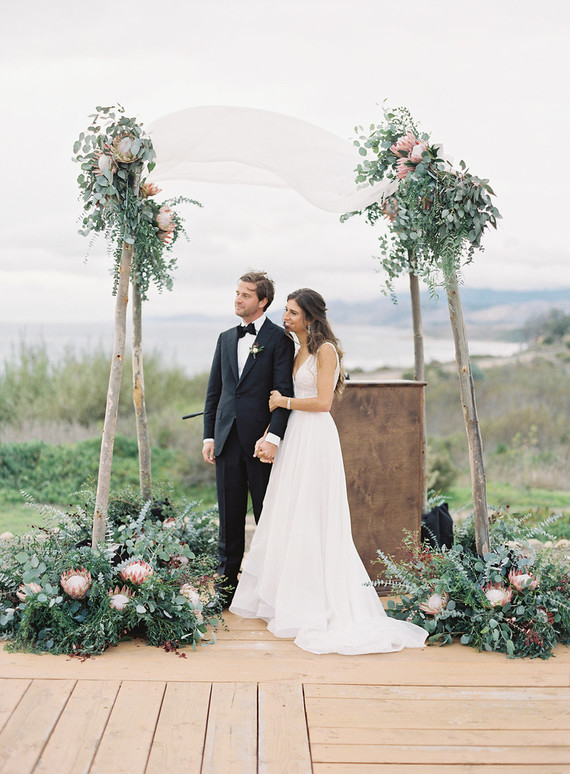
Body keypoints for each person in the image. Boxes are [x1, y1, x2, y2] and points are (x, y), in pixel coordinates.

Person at [230, 288, 428, 654]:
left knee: (313, 515)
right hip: (294, 438)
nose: (285, 317)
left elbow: (323, 403)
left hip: (316, 438)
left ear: (309, 316)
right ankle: (284, 595)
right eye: (285, 311)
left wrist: (283, 401)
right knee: (288, 512)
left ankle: (317, 602)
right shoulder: (295, 348)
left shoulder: (325, 351)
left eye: (291, 313)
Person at [203, 271, 295, 607]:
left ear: (263, 301)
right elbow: (215, 391)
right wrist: (209, 436)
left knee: (267, 518)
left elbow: (285, 393)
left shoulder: (279, 340)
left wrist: (273, 437)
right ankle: (225, 591)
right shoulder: (226, 338)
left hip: (262, 445)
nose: (238, 299)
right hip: (226, 440)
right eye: (237, 292)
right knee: (229, 518)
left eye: (246, 294)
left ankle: (272, 590)